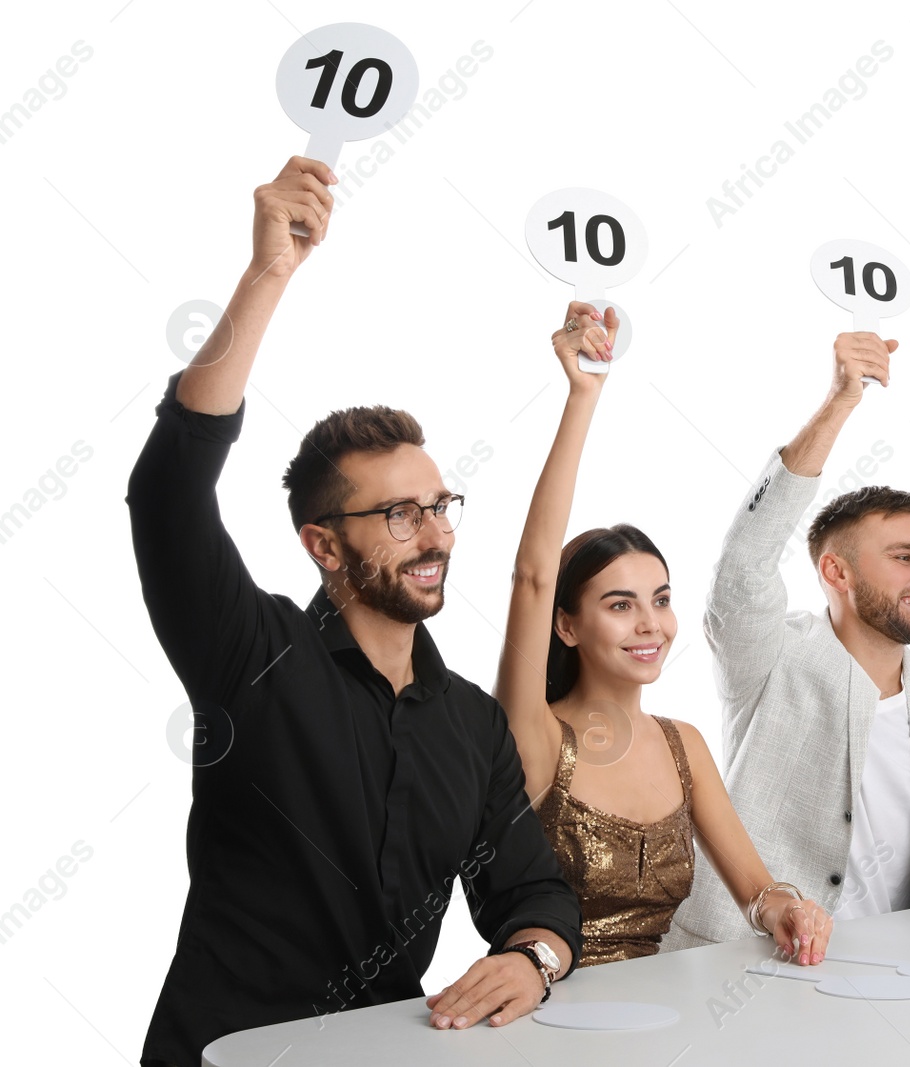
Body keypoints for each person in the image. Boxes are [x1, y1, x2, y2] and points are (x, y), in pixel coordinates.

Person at [126, 158, 582, 1067]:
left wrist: (535, 958)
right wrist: (268, 276)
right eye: (397, 514)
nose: (432, 535)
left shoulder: (471, 723)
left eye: (439, 505)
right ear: (323, 546)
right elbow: (168, 492)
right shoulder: (249, 652)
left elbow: (534, 889)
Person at [666, 330, 910, 951]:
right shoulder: (770, 657)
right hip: (740, 967)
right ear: (836, 573)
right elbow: (744, 567)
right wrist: (840, 401)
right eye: (903, 557)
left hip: (897, 980)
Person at [494, 304, 833, 966]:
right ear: (566, 623)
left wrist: (786, 907)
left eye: (662, 599)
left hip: (659, 1014)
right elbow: (534, 577)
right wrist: (582, 397)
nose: (651, 622)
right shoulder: (534, 734)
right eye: (620, 604)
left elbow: (756, 893)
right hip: (540, 1009)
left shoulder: (684, 745)